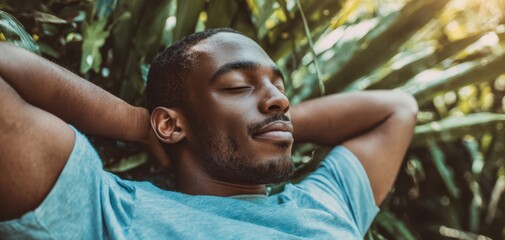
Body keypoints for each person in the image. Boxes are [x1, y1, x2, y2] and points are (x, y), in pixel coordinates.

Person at [0, 28, 417, 239]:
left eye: (280, 87)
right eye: (238, 86)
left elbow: (398, 109)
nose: (279, 99)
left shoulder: (326, 203)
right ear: (171, 124)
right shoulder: (105, 210)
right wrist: (136, 123)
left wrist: (270, 121)